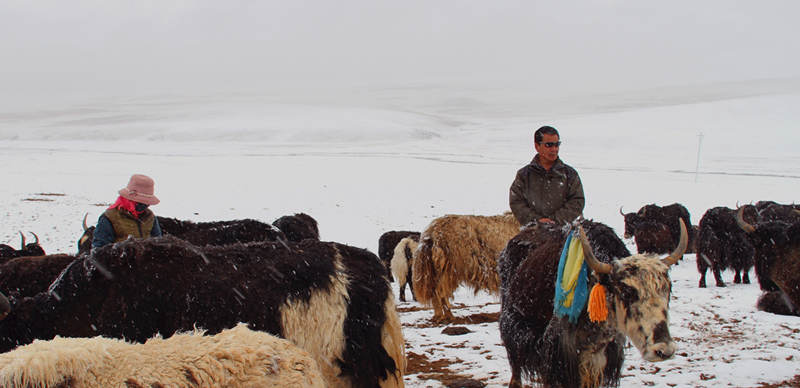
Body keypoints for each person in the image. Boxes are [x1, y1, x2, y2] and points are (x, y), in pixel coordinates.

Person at [509, 125, 585, 226]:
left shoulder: (570, 174)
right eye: (549, 145)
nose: (554, 149)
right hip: (532, 234)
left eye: (557, 144)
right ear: (537, 146)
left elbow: (577, 201)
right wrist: (536, 220)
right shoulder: (524, 175)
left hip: (564, 234)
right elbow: (516, 202)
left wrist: (555, 220)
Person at [92, 174, 162, 249]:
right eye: (142, 202)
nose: (146, 205)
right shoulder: (110, 217)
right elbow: (99, 249)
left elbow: (158, 243)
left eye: (147, 203)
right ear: (130, 199)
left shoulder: (150, 217)